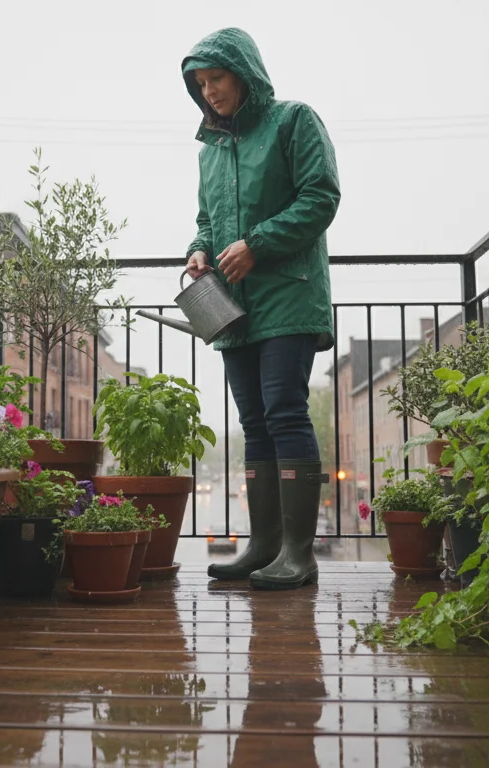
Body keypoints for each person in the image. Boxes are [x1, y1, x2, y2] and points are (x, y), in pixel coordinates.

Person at [181, 28, 340, 590]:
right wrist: (200, 249)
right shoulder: (211, 151)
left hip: (289, 296)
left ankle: (299, 553)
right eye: (200, 84)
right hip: (233, 308)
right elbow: (207, 220)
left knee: (284, 412)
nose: (209, 93)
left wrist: (258, 243)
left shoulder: (294, 121)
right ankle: (264, 546)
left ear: (243, 73)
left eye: (216, 79)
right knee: (254, 424)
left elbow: (321, 196)